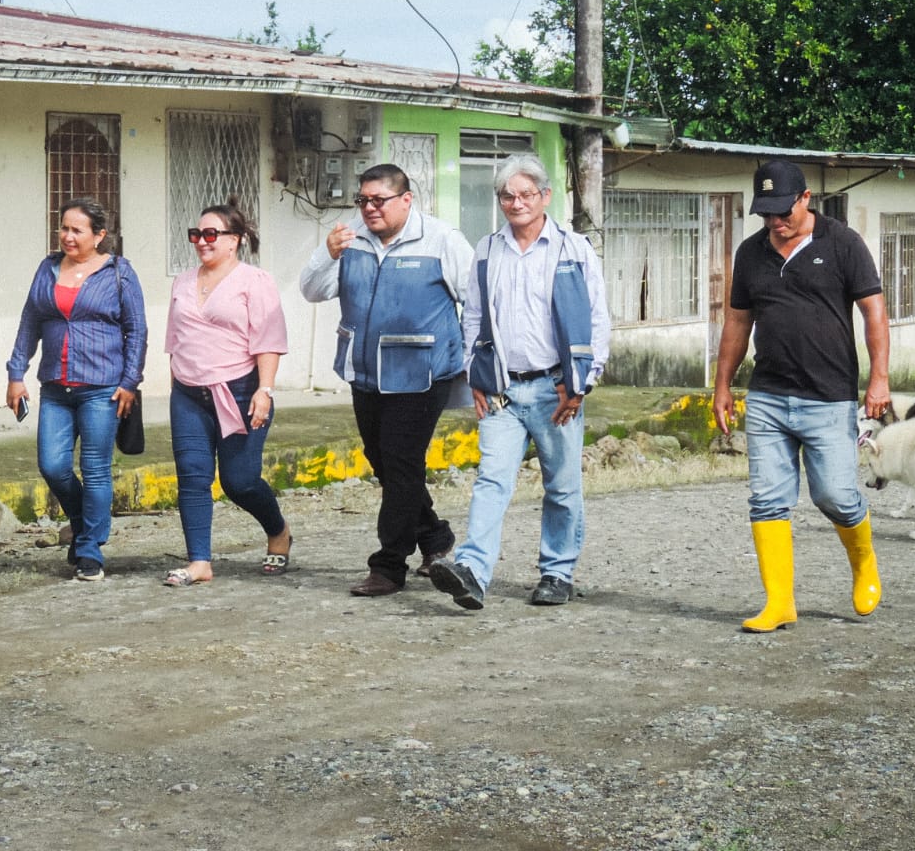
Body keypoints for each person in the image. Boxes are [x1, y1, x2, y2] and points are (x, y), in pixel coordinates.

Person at [712, 159, 891, 632]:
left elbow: (874, 312)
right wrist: (722, 386)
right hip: (768, 396)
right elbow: (738, 322)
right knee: (767, 500)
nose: (776, 221)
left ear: (805, 198)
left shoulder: (843, 243)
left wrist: (879, 379)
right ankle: (779, 603)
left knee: (835, 496)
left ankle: (863, 561)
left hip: (829, 396)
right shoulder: (751, 253)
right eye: (766, 213)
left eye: (783, 211)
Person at [429, 154, 611, 611]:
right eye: (507, 196)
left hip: (557, 389)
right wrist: (474, 372)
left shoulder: (574, 249)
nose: (516, 203)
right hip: (502, 391)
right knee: (491, 481)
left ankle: (557, 573)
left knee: (562, 487)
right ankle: (472, 572)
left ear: (545, 196)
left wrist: (583, 383)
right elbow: (473, 317)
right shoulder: (488, 250)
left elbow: (597, 319)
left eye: (526, 194)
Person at [299, 164, 472, 597]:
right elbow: (312, 291)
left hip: (421, 374)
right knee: (385, 461)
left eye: (379, 200)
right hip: (366, 372)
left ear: (406, 199)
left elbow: (476, 302)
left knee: (400, 460)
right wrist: (327, 254)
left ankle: (389, 565)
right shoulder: (350, 239)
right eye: (363, 200)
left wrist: (474, 364)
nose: (369, 208)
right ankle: (434, 536)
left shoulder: (442, 239)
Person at [6, 198, 147, 581]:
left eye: (76, 230)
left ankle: (89, 552)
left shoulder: (119, 273)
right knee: (52, 465)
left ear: (99, 235)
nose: (67, 236)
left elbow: (136, 330)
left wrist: (130, 382)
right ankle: (85, 522)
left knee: (95, 469)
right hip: (55, 386)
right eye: (64, 228)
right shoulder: (48, 268)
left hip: (103, 387)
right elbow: (29, 322)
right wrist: (16, 374)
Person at [162, 199, 292, 586]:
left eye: (211, 234)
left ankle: (278, 531)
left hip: (240, 391)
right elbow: (175, 341)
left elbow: (268, 340)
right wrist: (176, 386)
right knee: (192, 476)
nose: (202, 241)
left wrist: (264, 390)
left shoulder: (255, 281)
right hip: (188, 393)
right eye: (196, 235)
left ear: (234, 240)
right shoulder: (183, 282)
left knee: (240, 481)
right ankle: (199, 562)